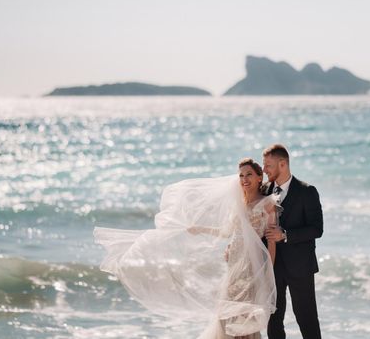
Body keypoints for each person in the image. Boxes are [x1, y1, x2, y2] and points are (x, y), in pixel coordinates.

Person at [94, 158, 279, 339]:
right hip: (234, 263)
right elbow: (226, 232)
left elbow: (271, 241)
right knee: (227, 310)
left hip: (252, 264)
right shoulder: (238, 203)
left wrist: (268, 271)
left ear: (259, 177)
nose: (244, 179)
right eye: (241, 175)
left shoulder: (267, 203)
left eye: (248, 175)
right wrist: (199, 229)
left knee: (245, 312)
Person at [262, 144, 323, 339]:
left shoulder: (307, 191)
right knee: (273, 321)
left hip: (300, 268)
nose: (264, 170)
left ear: (283, 164)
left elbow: (316, 229)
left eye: (268, 165)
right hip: (272, 266)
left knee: (307, 320)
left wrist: (285, 234)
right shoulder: (263, 191)